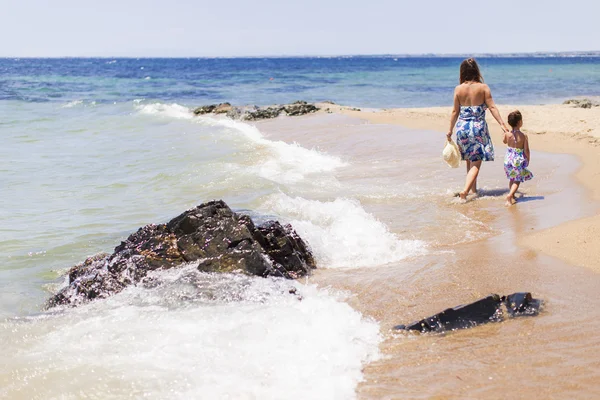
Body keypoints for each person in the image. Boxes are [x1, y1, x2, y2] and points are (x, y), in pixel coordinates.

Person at [447, 58, 510, 201]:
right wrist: (502, 124)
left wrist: (450, 130)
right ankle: (465, 191)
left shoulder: (458, 89)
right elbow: (492, 107)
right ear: (476, 71)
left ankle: (472, 191)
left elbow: (454, 112)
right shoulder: (483, 88)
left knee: (469, 160)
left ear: (462, 72)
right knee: (476, 162)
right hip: (477, 128)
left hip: (462, 127)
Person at [503, 110, 533, 206]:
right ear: (520, 122)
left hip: (508, 159)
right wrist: (528, 159)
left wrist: (506, 133)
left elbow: (504, 141)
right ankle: (510, 195)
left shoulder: (507, 134)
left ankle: (512, 196)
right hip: (517, 160)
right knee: (517, 179)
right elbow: (526, 150)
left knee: (512, 178)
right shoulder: (523, 136)